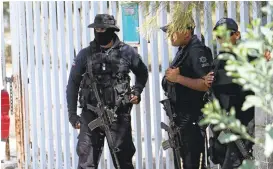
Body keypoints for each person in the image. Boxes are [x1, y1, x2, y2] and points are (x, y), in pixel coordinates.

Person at [66, 14, 148, 169]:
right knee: (86, 161)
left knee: (123, 161)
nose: (99, 32)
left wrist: (137, 91)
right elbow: (73, 83)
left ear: (111, 30)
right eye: (96, 29)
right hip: (91, 115)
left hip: (118, 115)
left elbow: (142, 72)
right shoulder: (85, 54)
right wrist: (72, 114)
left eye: (102, 28)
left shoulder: (126, 52)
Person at [161, 17, 213, 169]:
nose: (170, 35)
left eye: (173, 31)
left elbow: (205, 85)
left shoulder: (196, 51)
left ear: (186, 32)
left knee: (192, 163)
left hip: (192, 118)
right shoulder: (184, 50)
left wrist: (178, 78)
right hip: (182, 119)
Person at [203, 17, 255, 169]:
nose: (222, 39)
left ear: (236, 35)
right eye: (219, 36)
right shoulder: (219, 60)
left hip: (241, 125)